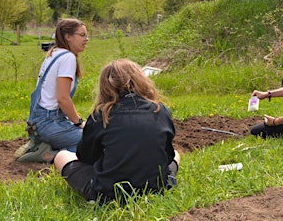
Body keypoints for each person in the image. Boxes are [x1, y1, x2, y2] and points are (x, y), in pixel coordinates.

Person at [54, 58, 180, 204]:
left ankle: (96, 193)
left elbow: (86, 157)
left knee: (61, 156)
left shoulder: (101, 114)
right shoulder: (161, 110)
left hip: (109, 192)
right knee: (177, 155)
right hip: (157, 187)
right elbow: (168, 154)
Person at [16, 18, 89, 162]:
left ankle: (42, 144)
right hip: (49, 122)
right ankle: (50, 155)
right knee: (90, 142)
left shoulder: (54, 53)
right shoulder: (68, 58)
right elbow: (62, 98)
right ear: (68, 37)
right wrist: (79, 122)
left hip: (37, 122)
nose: (87, 39)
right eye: (82, 35)